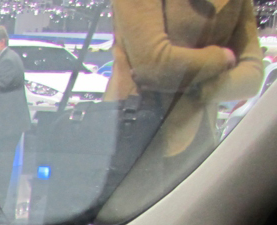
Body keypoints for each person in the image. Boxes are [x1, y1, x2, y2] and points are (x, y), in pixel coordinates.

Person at [107, 0, 263, 207]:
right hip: (134, 131)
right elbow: (153, 64)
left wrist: (197, 88)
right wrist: (222, 57)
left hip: (198, 136)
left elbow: (253, 75)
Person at [0, 24, 29, 217]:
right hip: (6, 124)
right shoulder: (7, 58)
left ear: (1, 42)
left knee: (1, 164)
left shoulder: (8, 61)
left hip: (8, 125)